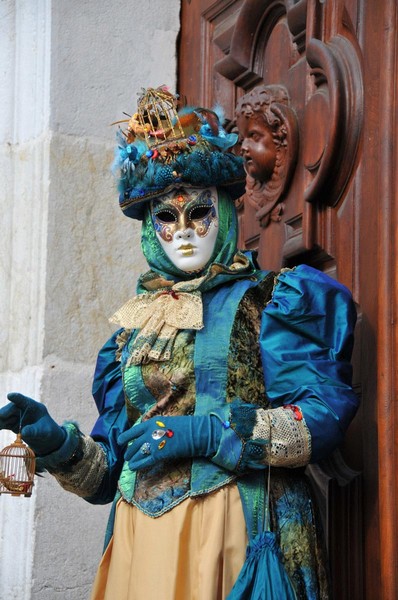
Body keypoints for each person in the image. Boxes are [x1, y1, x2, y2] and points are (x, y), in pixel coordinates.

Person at [0, 86, 358, 600]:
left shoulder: (272, 301)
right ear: (150, 227)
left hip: (235, 528)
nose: (184, 232)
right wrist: (57, 445)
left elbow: (320, 419)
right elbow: (110, 475)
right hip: (140, 544)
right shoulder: (132, 333)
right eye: (167, 218)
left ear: (227, 213)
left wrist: (212, 437)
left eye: (199, 213)